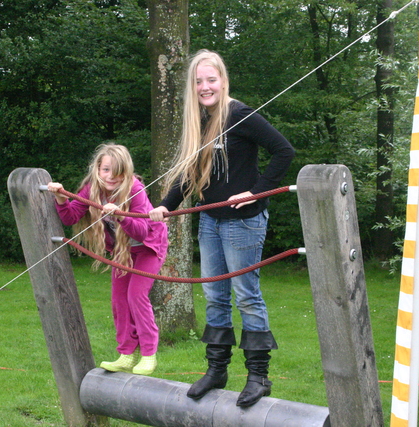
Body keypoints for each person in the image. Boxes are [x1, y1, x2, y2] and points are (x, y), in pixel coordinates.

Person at [149, 49, 295, 407]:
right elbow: (188, 176)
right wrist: (166, 206)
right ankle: (217, 370)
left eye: (210, 79)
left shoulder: (240, 114)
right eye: (198, 81)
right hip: (211, 219)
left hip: (243, 222)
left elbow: (284, 151)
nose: (204, 86)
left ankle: (258, 377)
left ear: (222, 81)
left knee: (246, 295)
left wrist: (255, 192)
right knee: (215, 295)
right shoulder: (200, 120)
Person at [48, 143, 168, 376]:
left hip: (148, 247)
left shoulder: (135, 189)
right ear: (97, 169)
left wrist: (120, 216)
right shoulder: (92, 189)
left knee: (136, 295)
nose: (111, 176)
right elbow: (71, 217)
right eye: (105, 170)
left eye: (118, 171)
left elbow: (142, 232)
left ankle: (148, 354)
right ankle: (126, 354)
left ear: (127, 172)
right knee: (119, 300)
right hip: (123, 251)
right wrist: (61, 199)